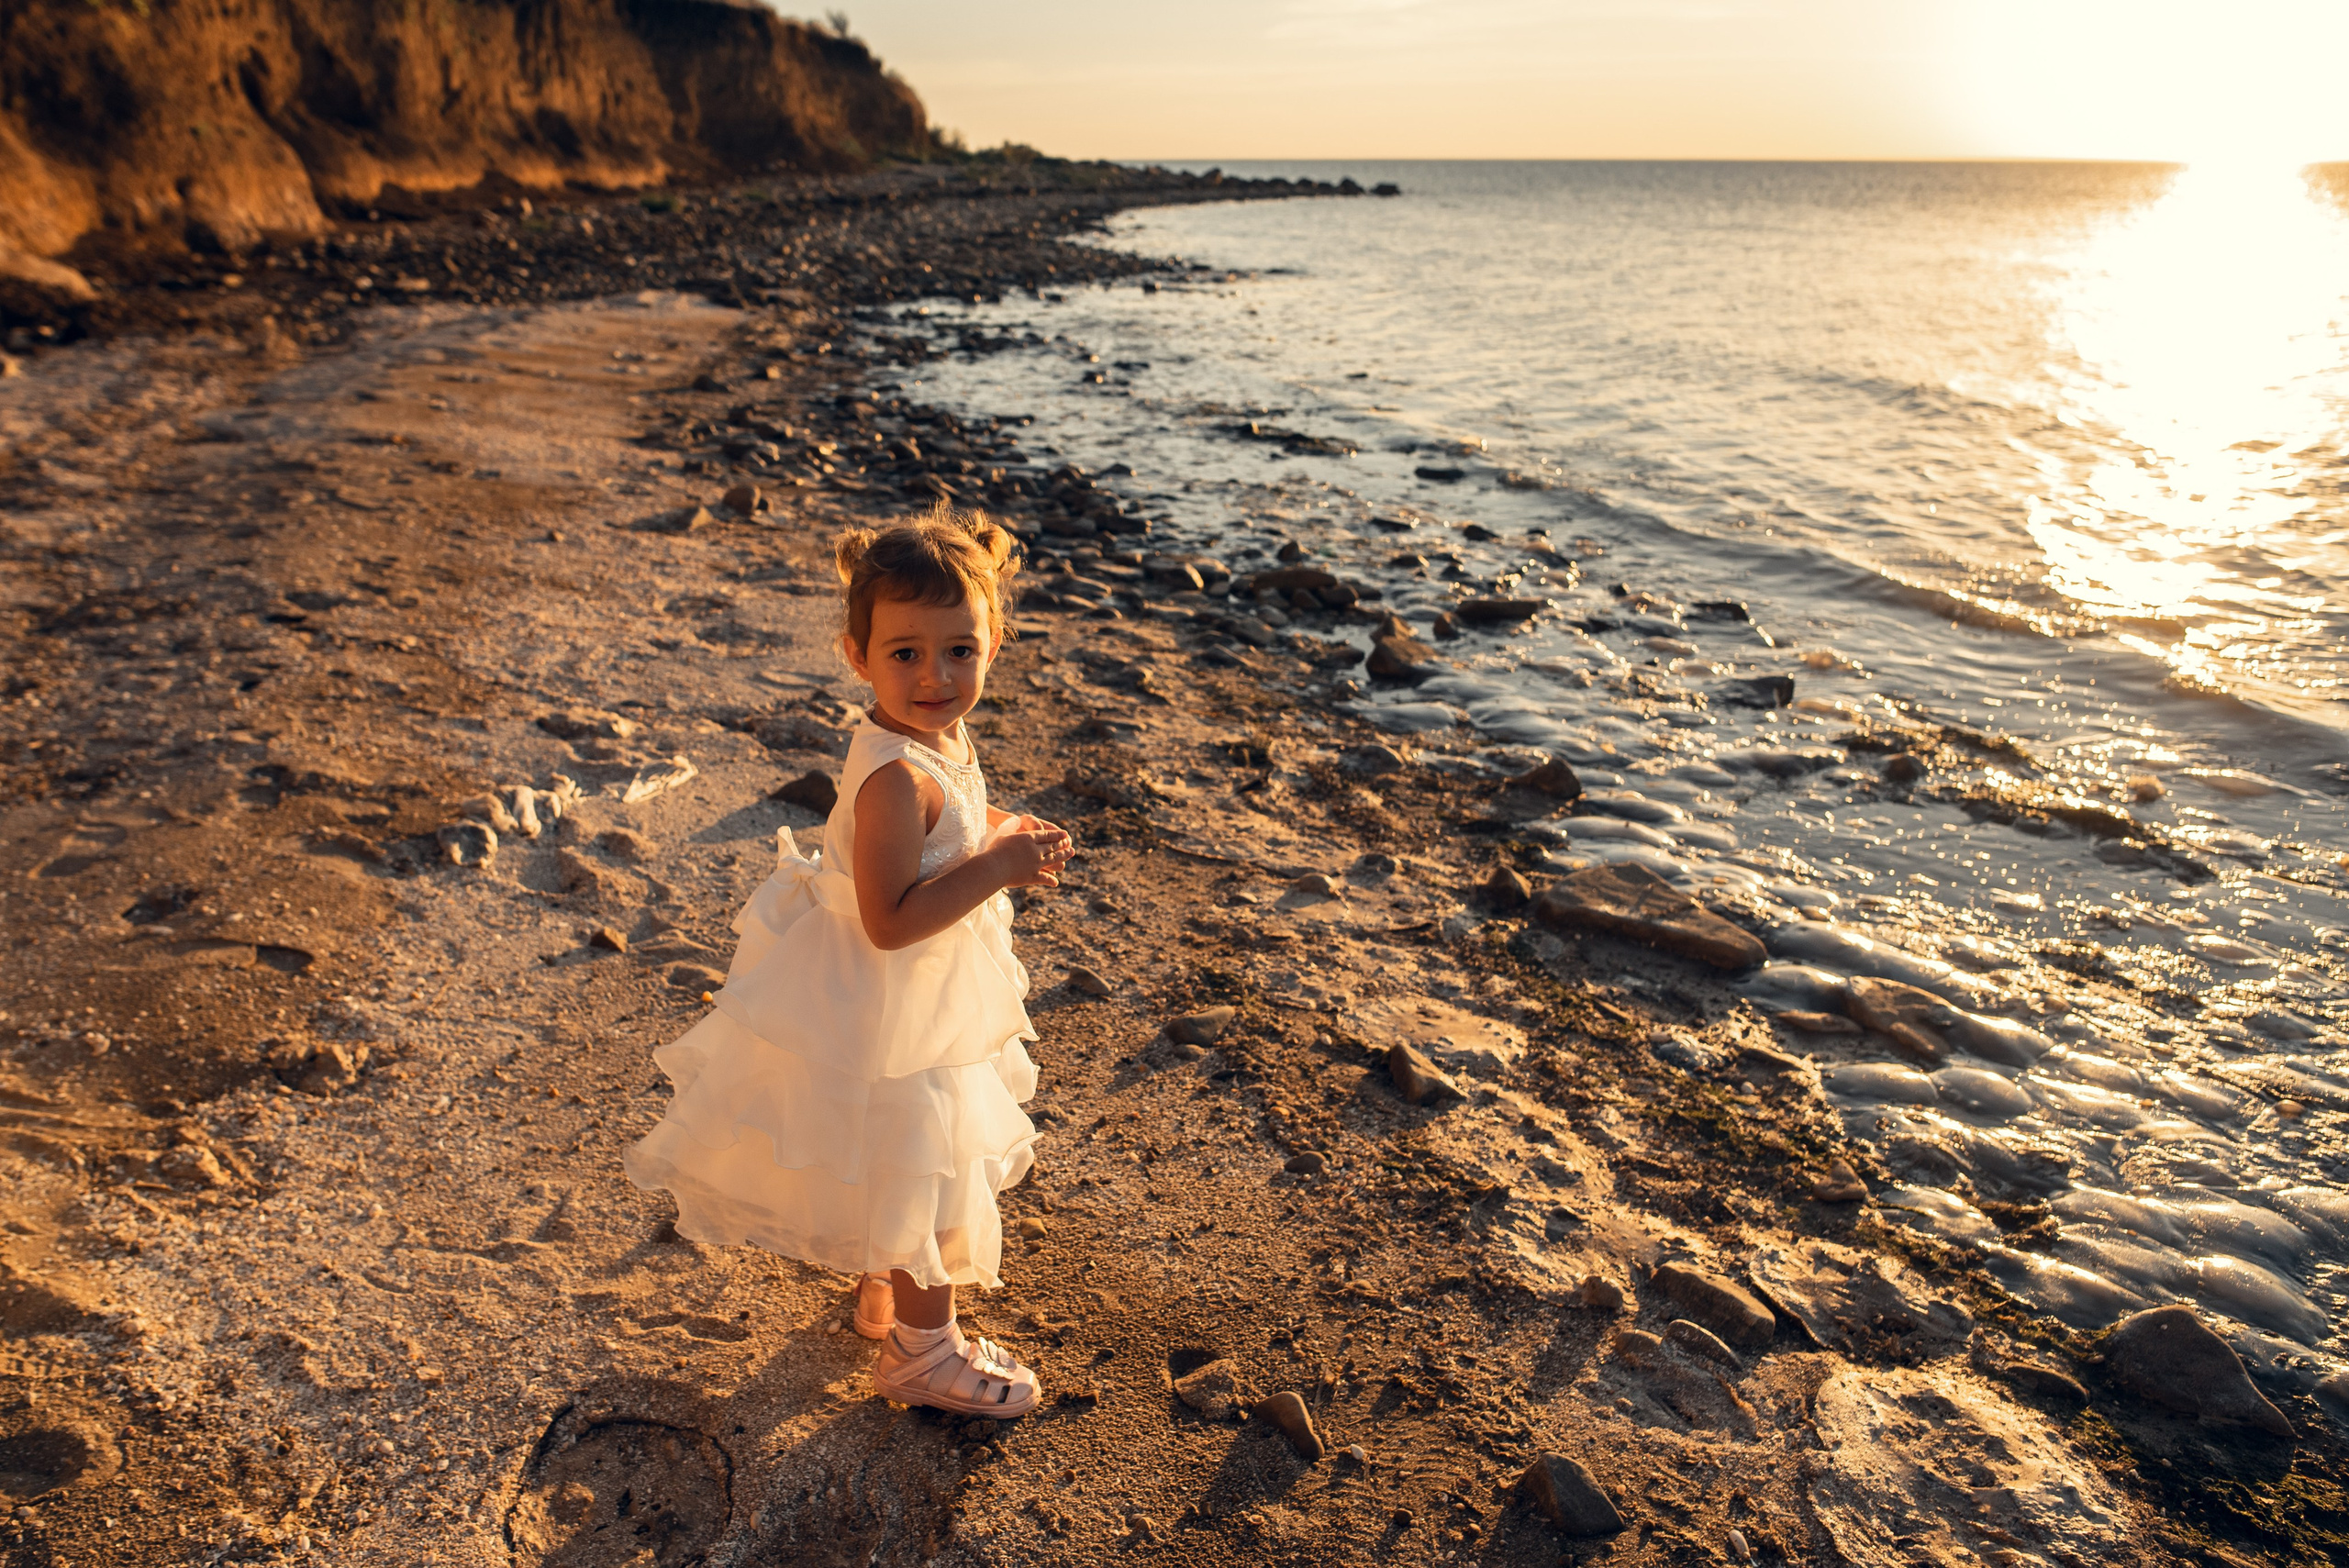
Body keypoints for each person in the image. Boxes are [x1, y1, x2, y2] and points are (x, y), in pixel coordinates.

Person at [624, 506, 1074, 1417]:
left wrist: (996, 829)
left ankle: (891, 1284)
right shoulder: (893, 778)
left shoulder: (934, 742)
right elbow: (889, 920)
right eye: (906, 653)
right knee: (929, 1158)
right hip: (896, 1001)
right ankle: (924, 1350)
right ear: (857, 655)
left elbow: (943, 829)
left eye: (960, 650)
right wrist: (998, 868)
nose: (935, 675)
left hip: (915, 998)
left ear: (994, 645)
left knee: (897, 1151)